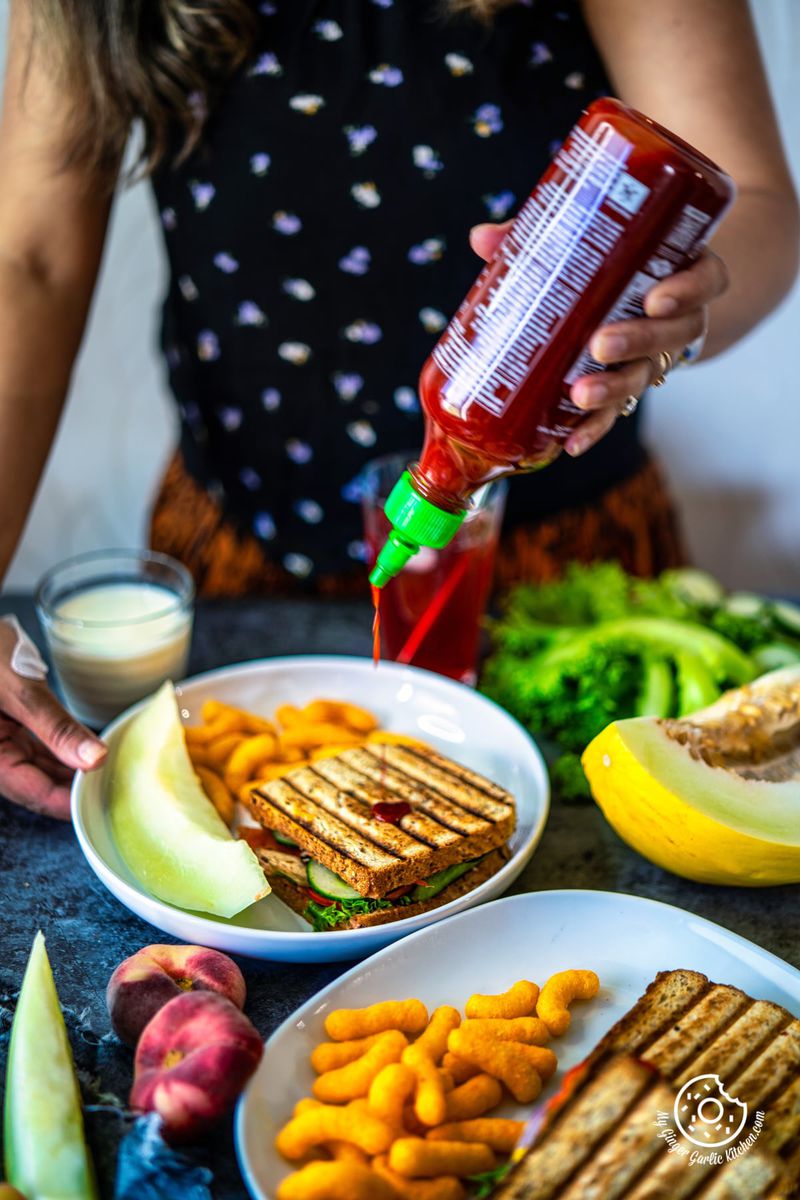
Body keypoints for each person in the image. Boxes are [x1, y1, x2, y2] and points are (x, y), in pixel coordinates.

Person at [0, 0, 797, 819]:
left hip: (563, 565)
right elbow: (27, 261)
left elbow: (757, 202)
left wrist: (665, 319)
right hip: (237, 553)